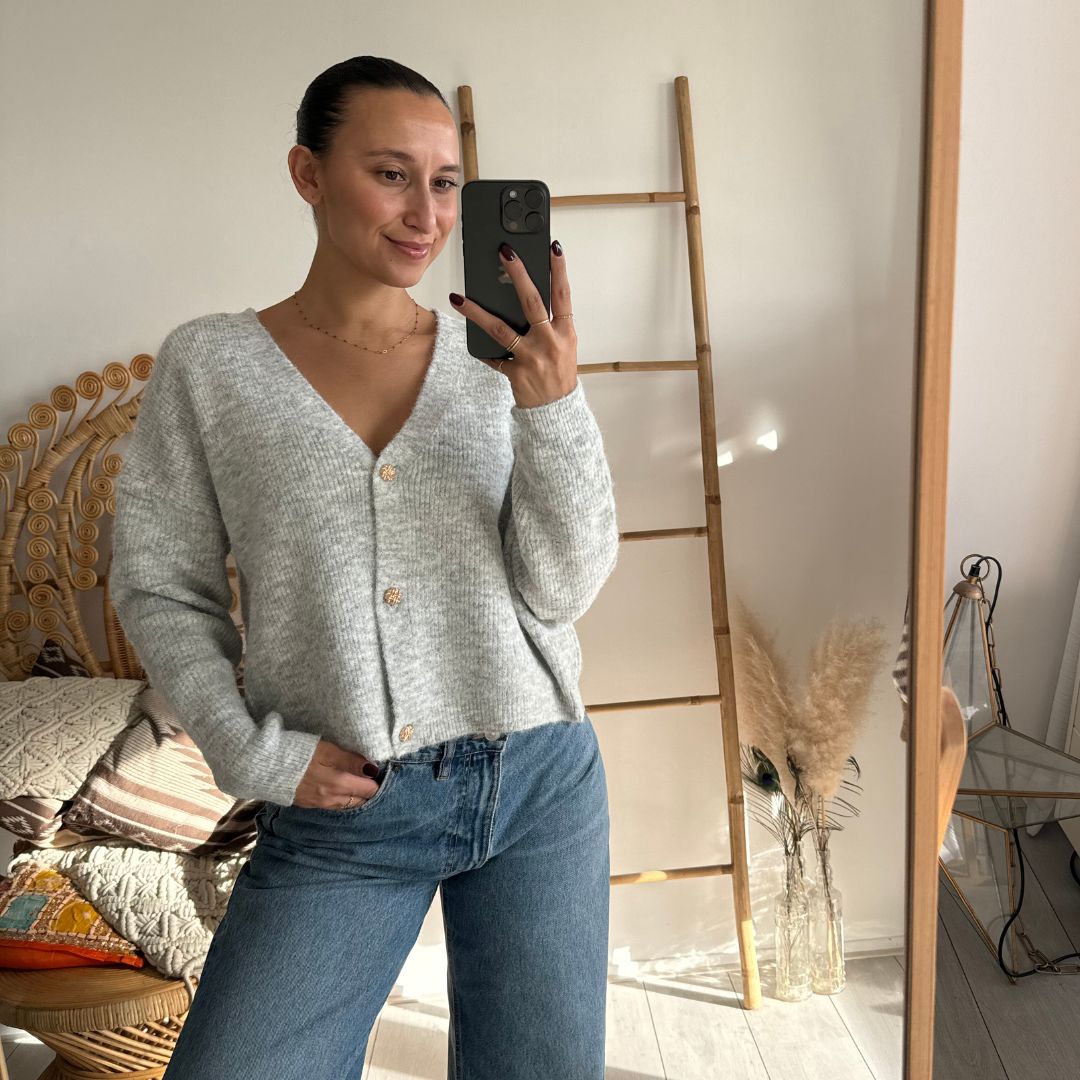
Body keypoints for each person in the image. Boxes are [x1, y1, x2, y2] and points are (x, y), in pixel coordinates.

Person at [110, 56, 620, 1080]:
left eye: (445, 182)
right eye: (391, 175)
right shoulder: (211, 366)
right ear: (308, 172)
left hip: (539, 782)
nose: (426, 214)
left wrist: (554, 407)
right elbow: (161, 585)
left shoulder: (503, 363)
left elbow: (561, 591)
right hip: (344, 806)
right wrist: (251, 752)